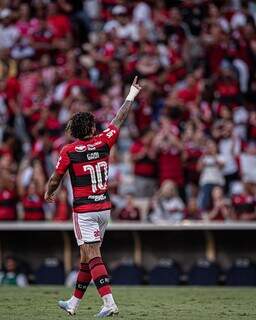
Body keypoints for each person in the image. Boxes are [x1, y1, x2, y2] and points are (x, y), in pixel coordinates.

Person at [44, 77, 142, 317]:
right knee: (87, 257)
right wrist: (131, 94)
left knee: (92, 255)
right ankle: (73, 304)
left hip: (84, 211)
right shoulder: (104, 141)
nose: (96, 125)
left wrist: (49, 191)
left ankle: (109, 303)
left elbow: (56, 177)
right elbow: (119, 118)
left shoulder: (68, 151)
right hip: (104, 208)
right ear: (89, 128)